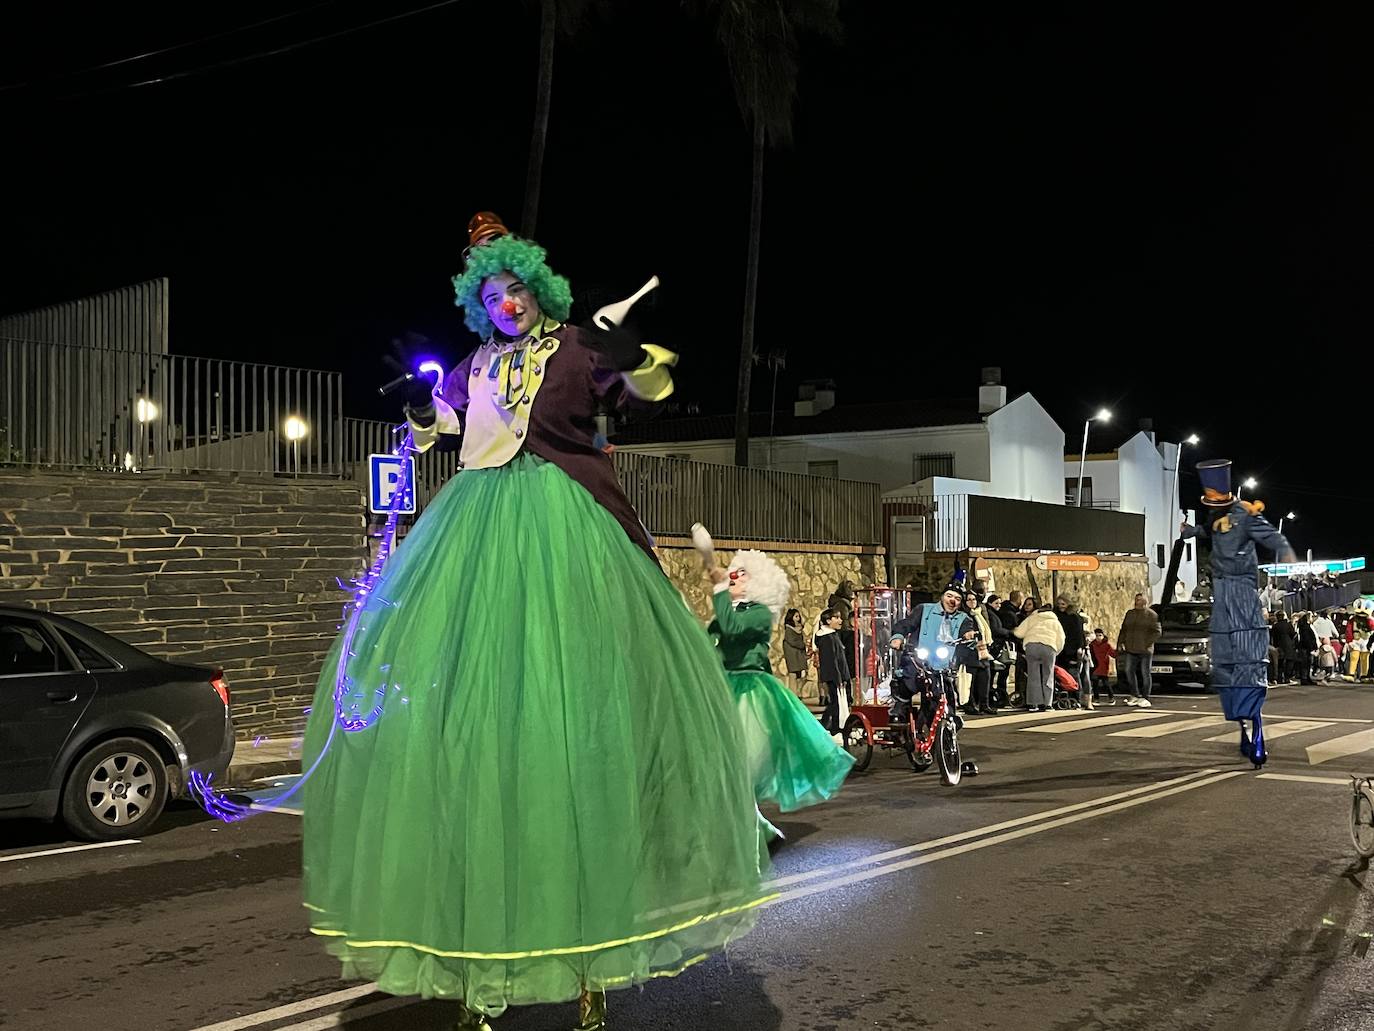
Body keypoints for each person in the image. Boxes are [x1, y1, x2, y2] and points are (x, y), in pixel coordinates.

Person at [300, 214, 768, 1031]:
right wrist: (419, 408)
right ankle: (482, 963)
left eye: (513, 286)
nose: (505, 302)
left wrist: (632, 357)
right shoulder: (475, 364)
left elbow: (648, 387)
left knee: (571, 742)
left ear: (537, 287)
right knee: (473, 747)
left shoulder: (579, 348)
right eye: (490, 294)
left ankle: (586, 961)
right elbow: (437, 429)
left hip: (567, 536)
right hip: (473, 538)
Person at [694, 529, 854, 821]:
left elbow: (733, 629)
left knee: (742, 765)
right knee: (721, 765)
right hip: (724, 690)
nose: (734, 576)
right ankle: (748, 825)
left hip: (750, 693)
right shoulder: (727, 613)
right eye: (734, 572)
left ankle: (751, 826)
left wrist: (718, 589)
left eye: (742, 574)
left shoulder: (759, 614)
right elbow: (712, 643)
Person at [1181, 459, 1296, 767]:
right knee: (1226, 666)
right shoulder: (1215, 519)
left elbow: (1271, 535)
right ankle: (1244, 728)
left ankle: (1256, 729)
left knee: (1248, 659)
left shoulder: (1244, 514)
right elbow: (1208, 530)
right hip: (1222, 597)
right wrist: (1191, 531)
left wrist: (1284, 551)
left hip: (1243, 594)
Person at [1015, 602, 1066, 711]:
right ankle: (1047, 704)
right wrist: (1056, 650)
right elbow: (1061, 637)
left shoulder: (1032, 618)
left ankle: (1034, 704)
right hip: (1049, 646)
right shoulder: (1055, 621)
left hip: (1032, 645)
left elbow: (1019, 633)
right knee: (1048, 675)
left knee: (1033, 675)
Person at [1116, 593, 1162, 707]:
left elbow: (1157, 632)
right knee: (1129, 671)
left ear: (1145, 602)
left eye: (1140, 600)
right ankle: (1134, 695)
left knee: (1145, 673)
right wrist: (1120, 643)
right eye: (1136, 600)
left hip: (1145, 650)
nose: (1137, 602)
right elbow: (1124, 629)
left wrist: (1146, 644)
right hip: (1131, 648)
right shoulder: (1130, 614)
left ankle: (1145, 697)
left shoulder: (1151, 615)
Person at [815, 608, 852, 733]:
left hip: (839, 674)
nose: (840, 620)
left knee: (836, 703)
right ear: (828, 620)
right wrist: (838, 677)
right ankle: (833, 728)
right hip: (834, 675)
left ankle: (832, 726)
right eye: (836, 618)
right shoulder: (827, 638)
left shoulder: (833, 635)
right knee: (835, 704)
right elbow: (831, 660)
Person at [782, 607, 811, 700]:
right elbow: (792, 641)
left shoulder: (798, 628)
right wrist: (802, 645)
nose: (798, 618)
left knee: (800, 675)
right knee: (793, 675)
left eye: (798, 616)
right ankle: (793, 695)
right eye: (796, 616)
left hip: (799, 654)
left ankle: (797, 693)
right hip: (792, 655)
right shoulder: (789, 629)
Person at [1089, 628, 1118, 705]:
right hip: (1095, 666)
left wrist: (1118, 652)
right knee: (1095, 683)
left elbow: (1113, 654)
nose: (1098, 637)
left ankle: (1111, 698)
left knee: (1106, 683)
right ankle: (1096, 698)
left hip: (1103, 666)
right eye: (1097, 635)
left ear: (1103, 636)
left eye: (1100, 635)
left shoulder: (1107, 645)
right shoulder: (1092, 645)